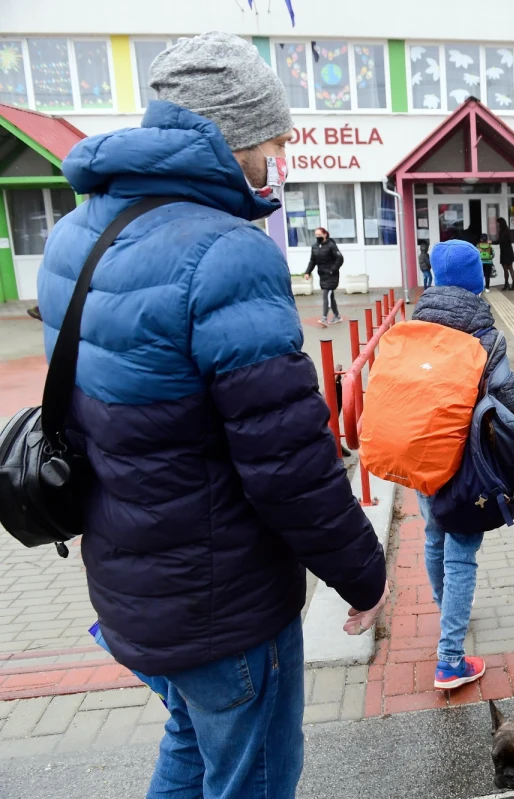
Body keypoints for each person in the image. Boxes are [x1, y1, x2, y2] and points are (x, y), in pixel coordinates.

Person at [36, 32, 387, 799]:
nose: (279, 156)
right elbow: (288, 464)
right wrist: (365, 575)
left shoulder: (73, 236)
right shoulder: (229, 252)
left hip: (133, 593)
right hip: (222, 604)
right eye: (272, 138)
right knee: (253, 777)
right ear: (229, 136)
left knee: (190, 744)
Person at [413, 239, 514, 690]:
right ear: (478, 282)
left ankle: (446, 611)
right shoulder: (486, 336)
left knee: (433, 534)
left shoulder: (413, 326)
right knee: (462, 554)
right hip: (468, 465)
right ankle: (450, 660)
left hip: (421, 455)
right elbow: (511, 398)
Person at [304, 226, 344, 325]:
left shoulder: (331, 245)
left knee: (326, 295)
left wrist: (332, 270)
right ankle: (337, 316)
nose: (317, 237)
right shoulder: (314, 247)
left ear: (325, 234)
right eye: (316, 235)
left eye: (319, 235)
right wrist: (307, 272)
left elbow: (340, 258)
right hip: (322, 275)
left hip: (331, 275)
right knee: (331, 297)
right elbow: (312, 261)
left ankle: (324, 318)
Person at [495, 218, 514, 291]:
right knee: (510, 268)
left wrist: (491, 242)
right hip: (508, 251)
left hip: (505, 251)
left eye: (498, 223)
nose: (497, 225)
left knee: (506, 268)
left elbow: (500, 241)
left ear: (501, 223)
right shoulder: (506, 230)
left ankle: (507, 284)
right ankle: (513, 284)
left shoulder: (503, 231)